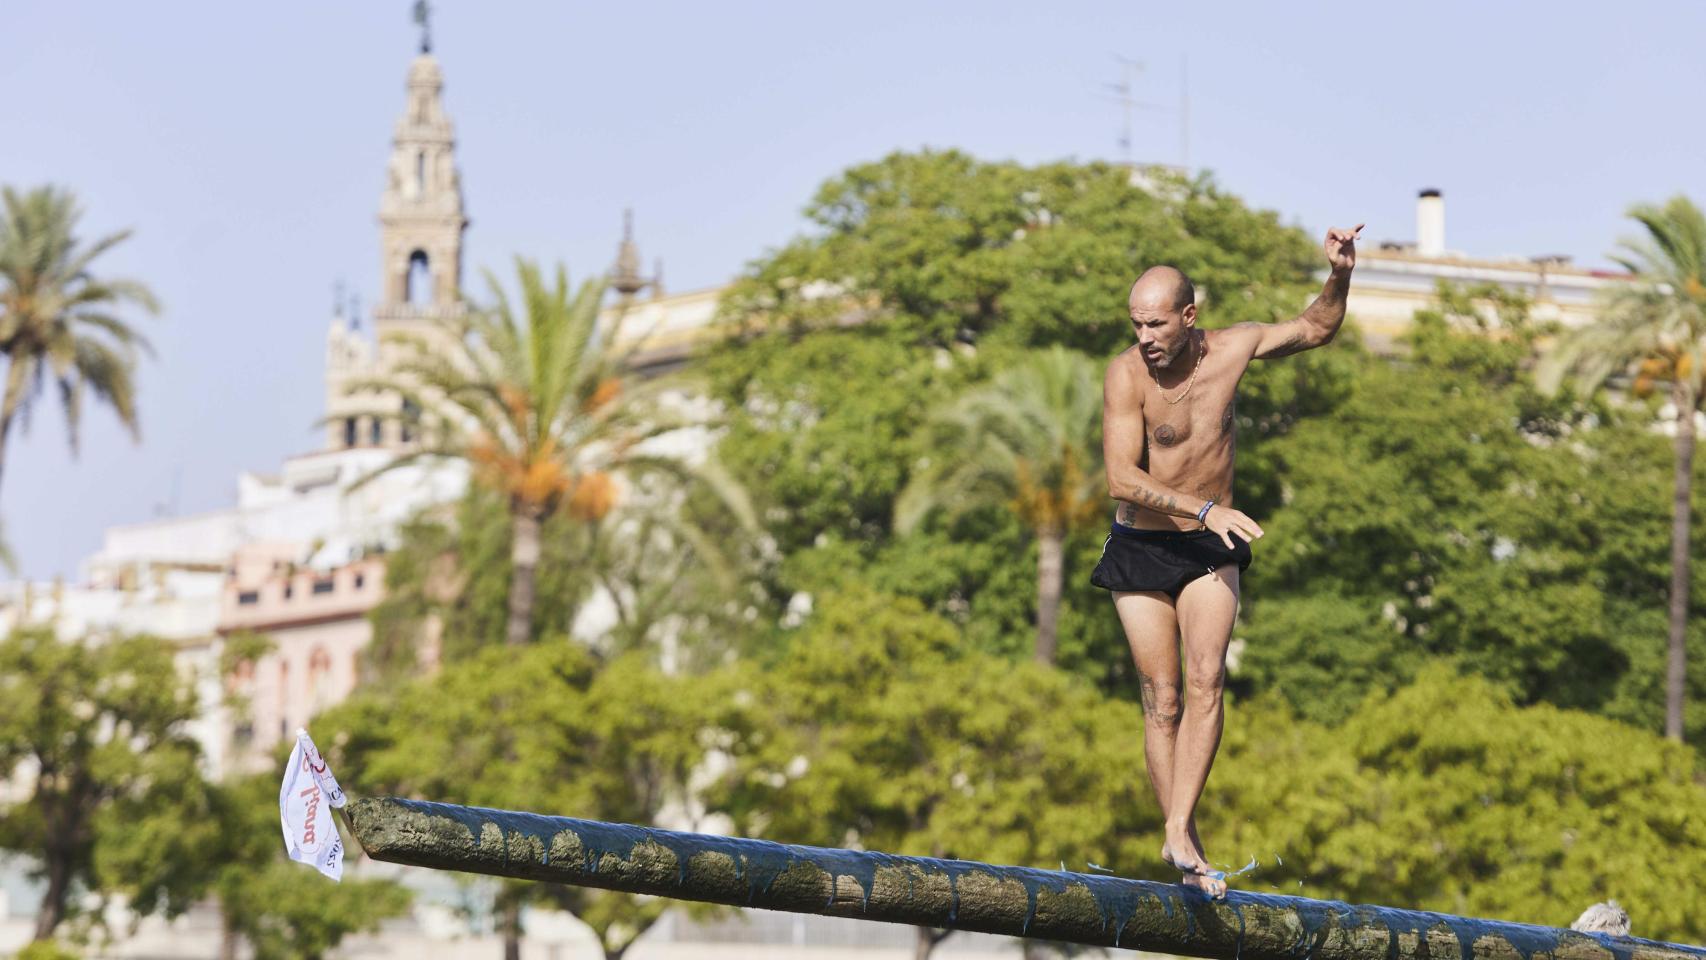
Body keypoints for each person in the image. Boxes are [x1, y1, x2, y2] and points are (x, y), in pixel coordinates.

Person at [1092, 224, 1362, 898]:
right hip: (1145, 542)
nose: (1145, 336)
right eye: (1136, 323)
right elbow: (1120, 478)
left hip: (1209, 547)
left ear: (1190, 316)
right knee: (1162, 697)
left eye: (1156, 323)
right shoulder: (1126, 374)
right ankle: (1186, 844)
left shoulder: (1233, 349)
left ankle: (1179, 828)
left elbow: (1315, 329)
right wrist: (1202, 508)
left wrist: (1339, 275)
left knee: (1207, 677)